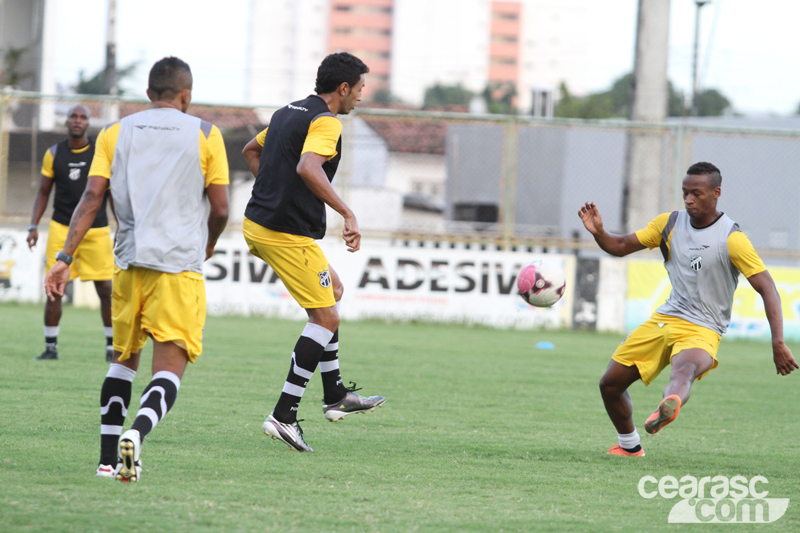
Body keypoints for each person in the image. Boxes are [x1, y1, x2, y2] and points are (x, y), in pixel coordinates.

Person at [44, 57, 229, 481]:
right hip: (178, 267)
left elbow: (91, 199)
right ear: (186, 95)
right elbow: (220, 207)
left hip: (127, 264)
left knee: (122, 362)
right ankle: (138, 435)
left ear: (148, 94)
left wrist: (63, 259)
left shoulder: (113, 132)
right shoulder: (205, 133)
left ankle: (107, 461)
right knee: (169, 370)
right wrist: (210, 242)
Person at [578, 162, 798, 457]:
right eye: (685, 193)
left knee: (685, 369)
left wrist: (778, 342)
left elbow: (767, 287)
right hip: (665, 318)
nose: (689, 199)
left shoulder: (731, 239)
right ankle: (630, 447)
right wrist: (599, 232)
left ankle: (669, 404)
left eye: (697, 193)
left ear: (716, 193)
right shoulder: (668, 224)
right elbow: (620, 246)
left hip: (703, 327)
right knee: (610, 384)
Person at [241, 52, 384, 452]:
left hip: (263, 225)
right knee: (325, 316)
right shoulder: (325, 121)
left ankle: (335, 394)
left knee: (332, 292)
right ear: (343, 88)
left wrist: (274, 193)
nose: (360, 96)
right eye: (359, 89)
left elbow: (252, 152)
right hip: (284, 233)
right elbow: (308, 167)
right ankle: (283, 415)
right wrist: (347, 212)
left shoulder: (288, 112)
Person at [28, 104, 115, 362]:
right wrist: (33, 225)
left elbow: (110, 194)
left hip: (97, 230)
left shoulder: (100, 152)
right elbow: (43, 192)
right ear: (66, 121)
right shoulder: (53, 153)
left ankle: (112, 347)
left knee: (106, 289)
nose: (77, 121)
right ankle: (50, 347)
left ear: (89, 123)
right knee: (55, 288)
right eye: (73, 116)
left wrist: (122, 226)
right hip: (61, 228)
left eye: (83, 117)